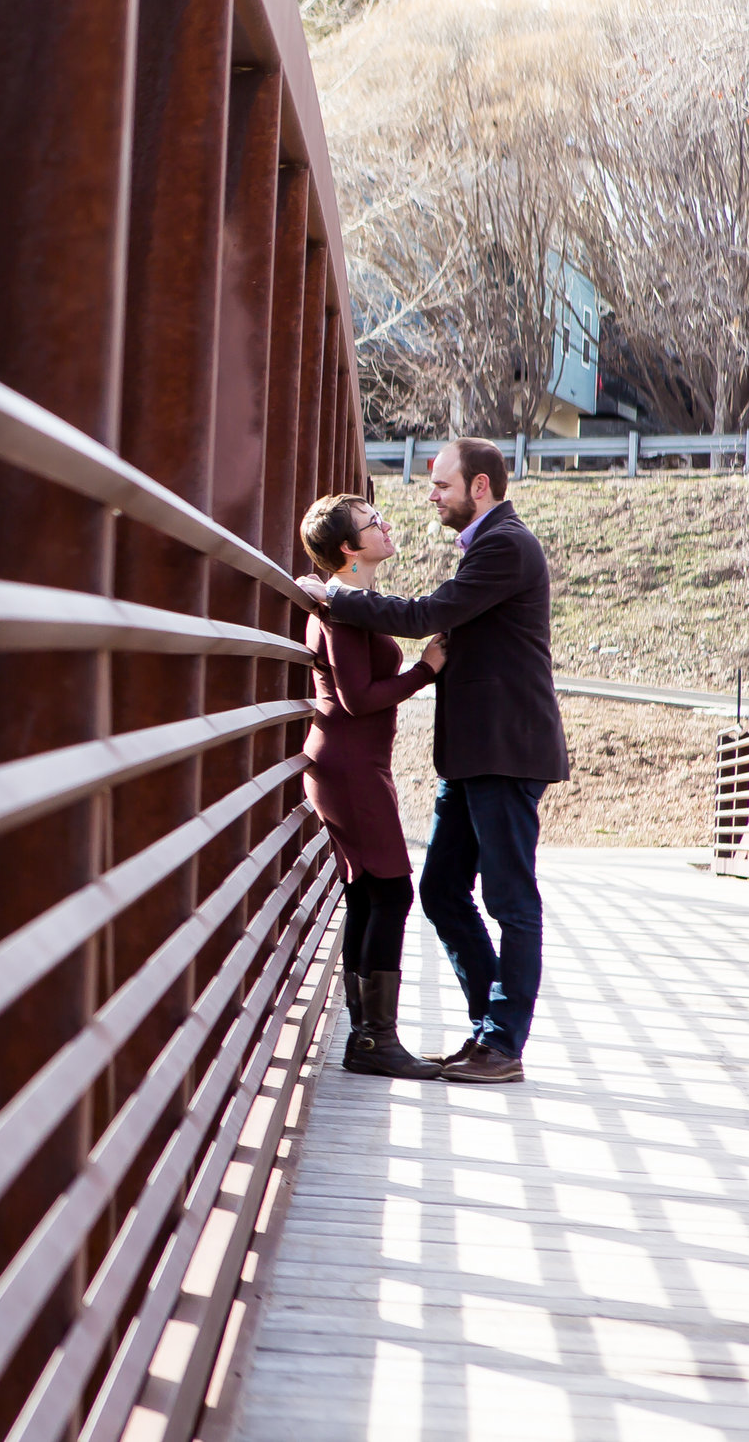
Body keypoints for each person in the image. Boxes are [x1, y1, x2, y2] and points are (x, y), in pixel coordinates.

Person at [296, 438, 569, 1085]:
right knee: (442, 890)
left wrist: (334, 596)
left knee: (509, 898)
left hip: (504, 752)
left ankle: (502, 1042)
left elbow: (426, 615)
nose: (430, 494)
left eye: (441, 484)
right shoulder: (484, 547)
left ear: (479, 486)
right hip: (471, 756)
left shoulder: (506, 544)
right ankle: (485, 1030)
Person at [298, 493, 444, 1080]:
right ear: (347, 550)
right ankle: (373, 1040)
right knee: (391, 891)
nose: (385, 526)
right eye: (370, 524)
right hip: (351, 765)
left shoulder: (349, 601)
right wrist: (425, 670)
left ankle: (367, 1040)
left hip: (355, 763)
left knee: (370, 892)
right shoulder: (342, 609)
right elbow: (357, 699)